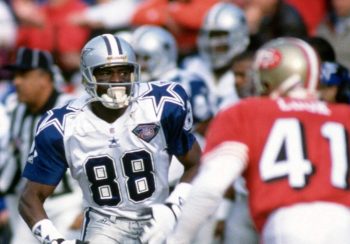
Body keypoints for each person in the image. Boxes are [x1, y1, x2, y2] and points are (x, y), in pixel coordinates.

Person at [18, 34, 201, 244]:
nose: (117, 81)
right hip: (104, 226)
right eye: (106, 73)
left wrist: (173, 208)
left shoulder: (161, 105)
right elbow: (30, 197)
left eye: (124, 71)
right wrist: (55, 240)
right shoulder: (62, 125)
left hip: (158, 217)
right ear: (88, 76)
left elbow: (196, 164)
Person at [167, 37, 350, 244]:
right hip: (343, 224)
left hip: (287, 223)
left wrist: (178, 238)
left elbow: (210, 187)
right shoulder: (344, 115)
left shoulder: (246, 112)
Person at [0, 47, 83, 244]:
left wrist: (86, 208)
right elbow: (11, 161)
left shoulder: (71, 111)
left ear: (44, 78)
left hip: (68, 204)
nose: (16, 82)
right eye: (15, 76)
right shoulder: (17, 110)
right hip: (32, 204)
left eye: (23, 75)